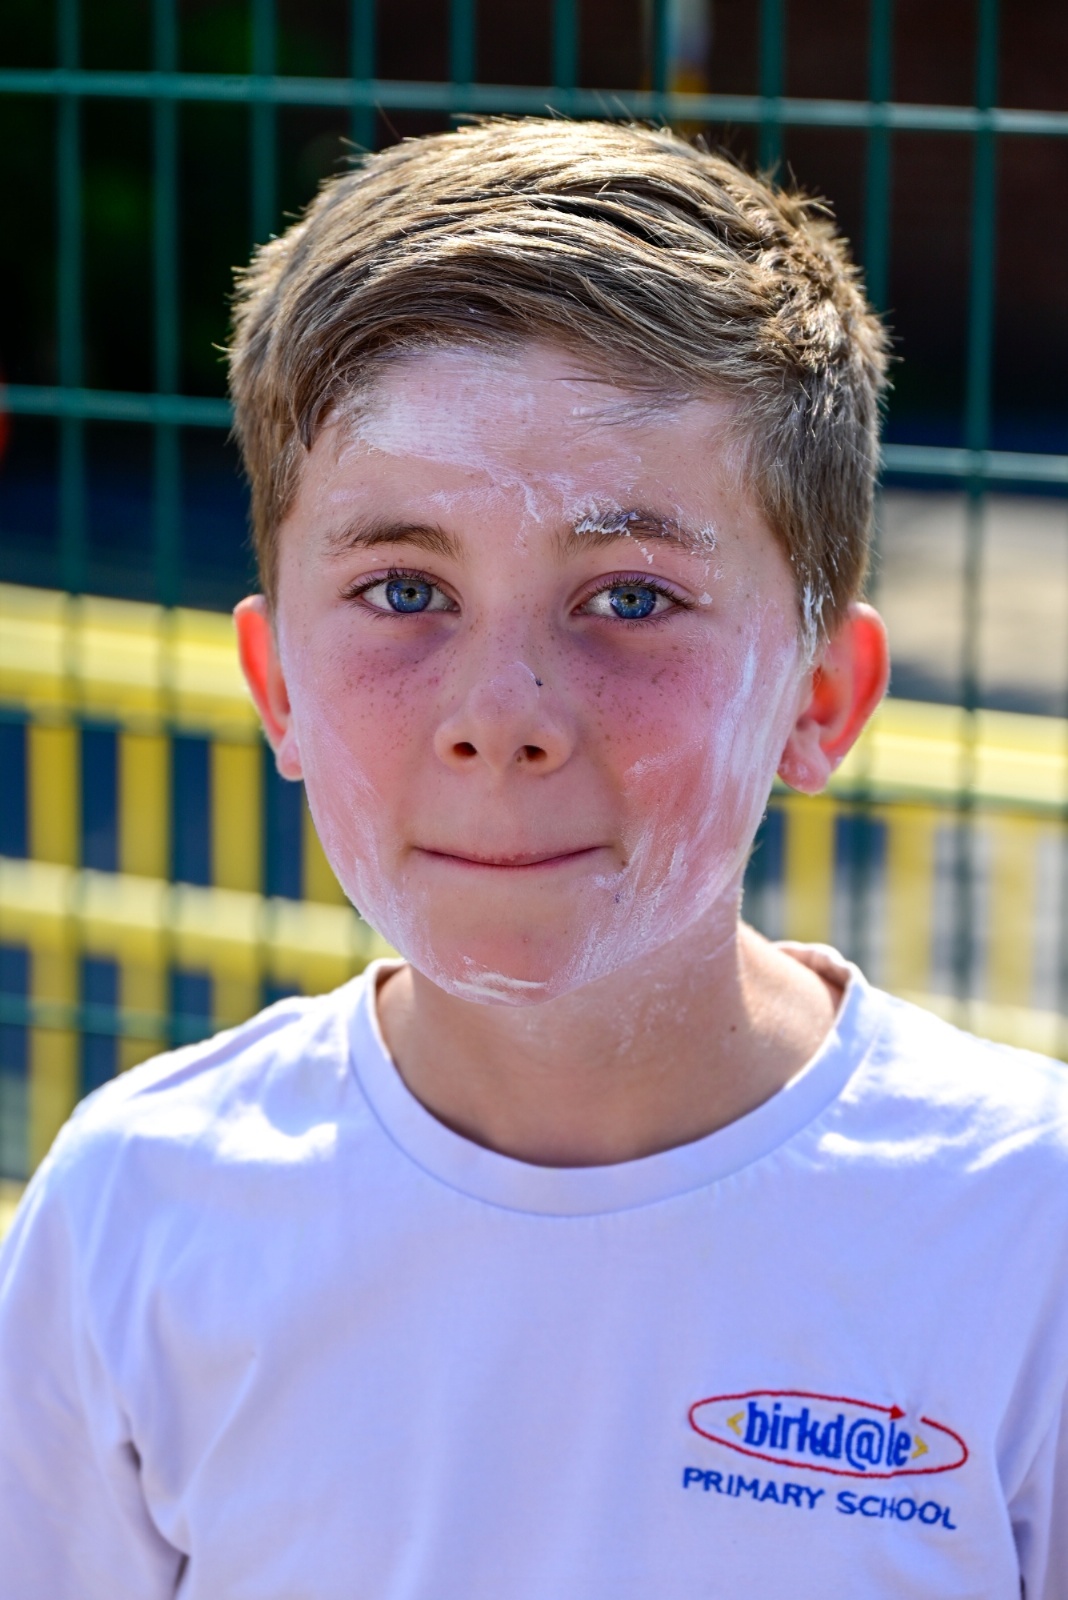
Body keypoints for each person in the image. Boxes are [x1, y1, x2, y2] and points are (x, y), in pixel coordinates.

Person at [1, 118, 1066, 1599]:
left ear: (820, 698)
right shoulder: (138, 1213)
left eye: (630, 597)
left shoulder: (1025, 1231)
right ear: (279, 686)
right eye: (403, 589)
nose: (500, 717)